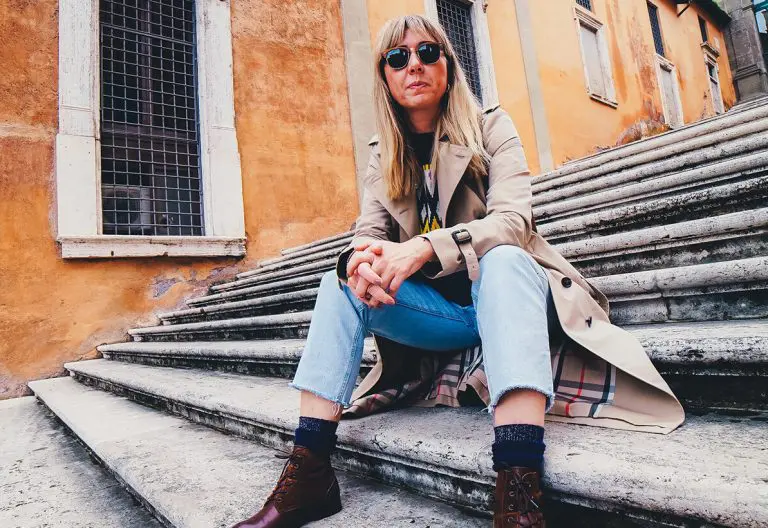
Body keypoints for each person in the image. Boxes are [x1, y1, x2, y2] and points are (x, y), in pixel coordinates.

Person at [231, 14, 684, 528]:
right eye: (398, 58)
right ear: (385, 76)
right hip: (446, 318)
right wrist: (359, 261)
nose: (414, 66)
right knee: (342, 282)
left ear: (448, 63)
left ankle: (519, 484)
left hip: (513, 297)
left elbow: (513, 221)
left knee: (504, 257)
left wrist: (425, 248)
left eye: (428, 52)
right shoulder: (384, 154)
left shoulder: (492, 126)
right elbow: (368, 232)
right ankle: (310, 470)